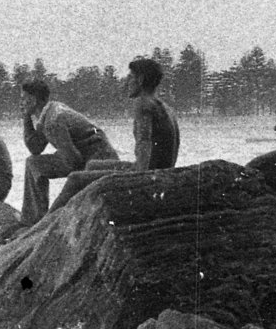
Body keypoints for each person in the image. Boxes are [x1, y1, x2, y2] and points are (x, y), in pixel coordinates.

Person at [48, 55, 180, 212]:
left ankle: (44, 223)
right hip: (160, 170)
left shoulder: (143, 105)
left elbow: (145, 148)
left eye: (130, 77)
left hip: (147, 174)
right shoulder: (165, 108)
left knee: (75, 179)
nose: (126, 82)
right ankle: (78, 212)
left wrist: (140, 182)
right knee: (91, 165)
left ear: (140, 80)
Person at [20, 79, 118, 225]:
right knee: (34, 163)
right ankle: (34, 218)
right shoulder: (49, 112)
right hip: (87, 155)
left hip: (97, 159)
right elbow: (35, 148)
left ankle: (36, 221)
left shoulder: (53, 120)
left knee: (36, 165)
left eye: (23, 99)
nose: (21, 103)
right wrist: (26, 119)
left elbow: (73, 160)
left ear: (33, 100)